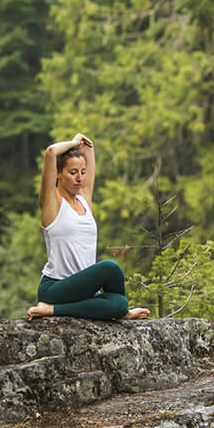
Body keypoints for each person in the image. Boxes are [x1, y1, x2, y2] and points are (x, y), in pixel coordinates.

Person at [26, 133, 149, 322]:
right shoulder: (52, 204)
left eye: (82, 172)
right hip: (56, 288)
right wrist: (74, 143)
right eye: (73, 173)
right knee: (110, 268)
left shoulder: (84, 199)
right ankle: (50, 309)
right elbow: (51, 152)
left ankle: (121, 313)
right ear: (59, 173)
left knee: (120, 304)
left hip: (84, 290)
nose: (80, 178)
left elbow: (89, 149)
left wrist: (83, 144)